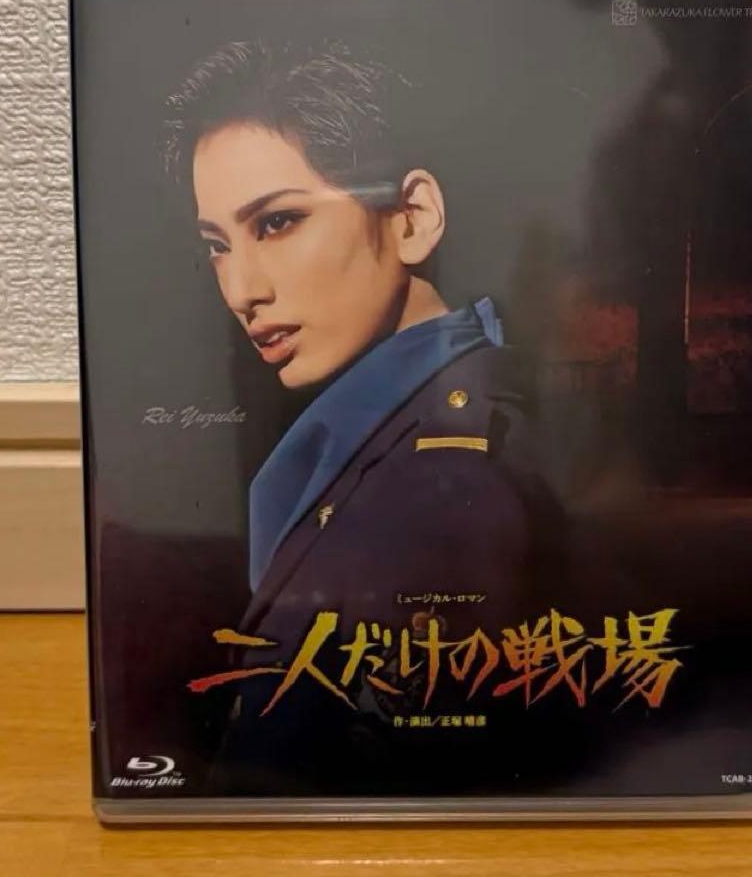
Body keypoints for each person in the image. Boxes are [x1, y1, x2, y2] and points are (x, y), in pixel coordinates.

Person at [163, 40, 576, 794]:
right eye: (217, 246)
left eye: (278, 222)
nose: (241, 290)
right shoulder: (389, 434)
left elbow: (427, 778)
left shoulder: (440, 484)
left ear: (411, 219)